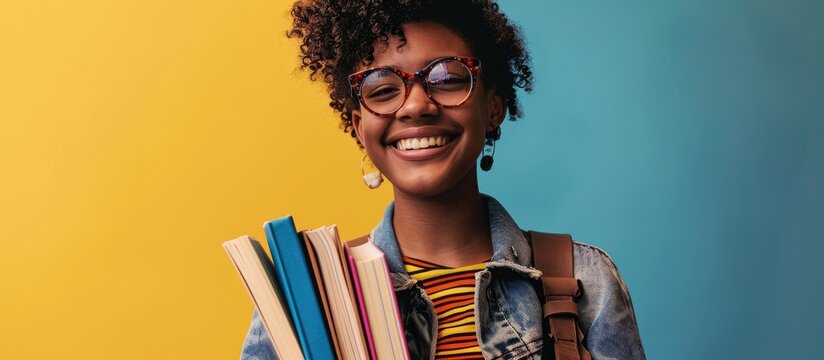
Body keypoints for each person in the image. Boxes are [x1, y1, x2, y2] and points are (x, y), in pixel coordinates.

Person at [241, 0, 645, 359]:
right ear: (359, 126)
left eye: (448, 79)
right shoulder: (309, 299)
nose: (416, 105)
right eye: (383, 89)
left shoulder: (585, 280)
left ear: (493, 108)